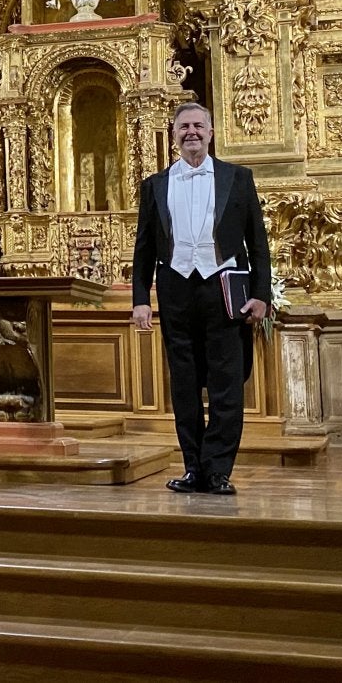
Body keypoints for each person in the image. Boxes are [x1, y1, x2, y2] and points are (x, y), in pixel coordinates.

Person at [130, 103, 271, 495]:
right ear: (174, 135)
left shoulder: (237, 178)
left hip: (222, 288)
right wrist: (140, 298)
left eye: (198, 126)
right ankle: (193, 466)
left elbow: (257, 242)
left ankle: (217, 470)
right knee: (184, 384)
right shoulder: (155, 185)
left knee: (227, 384)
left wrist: (262, 294)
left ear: (211, 132)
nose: (191, 132)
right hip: (176, 288)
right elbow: (143, 247)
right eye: (183, 127)